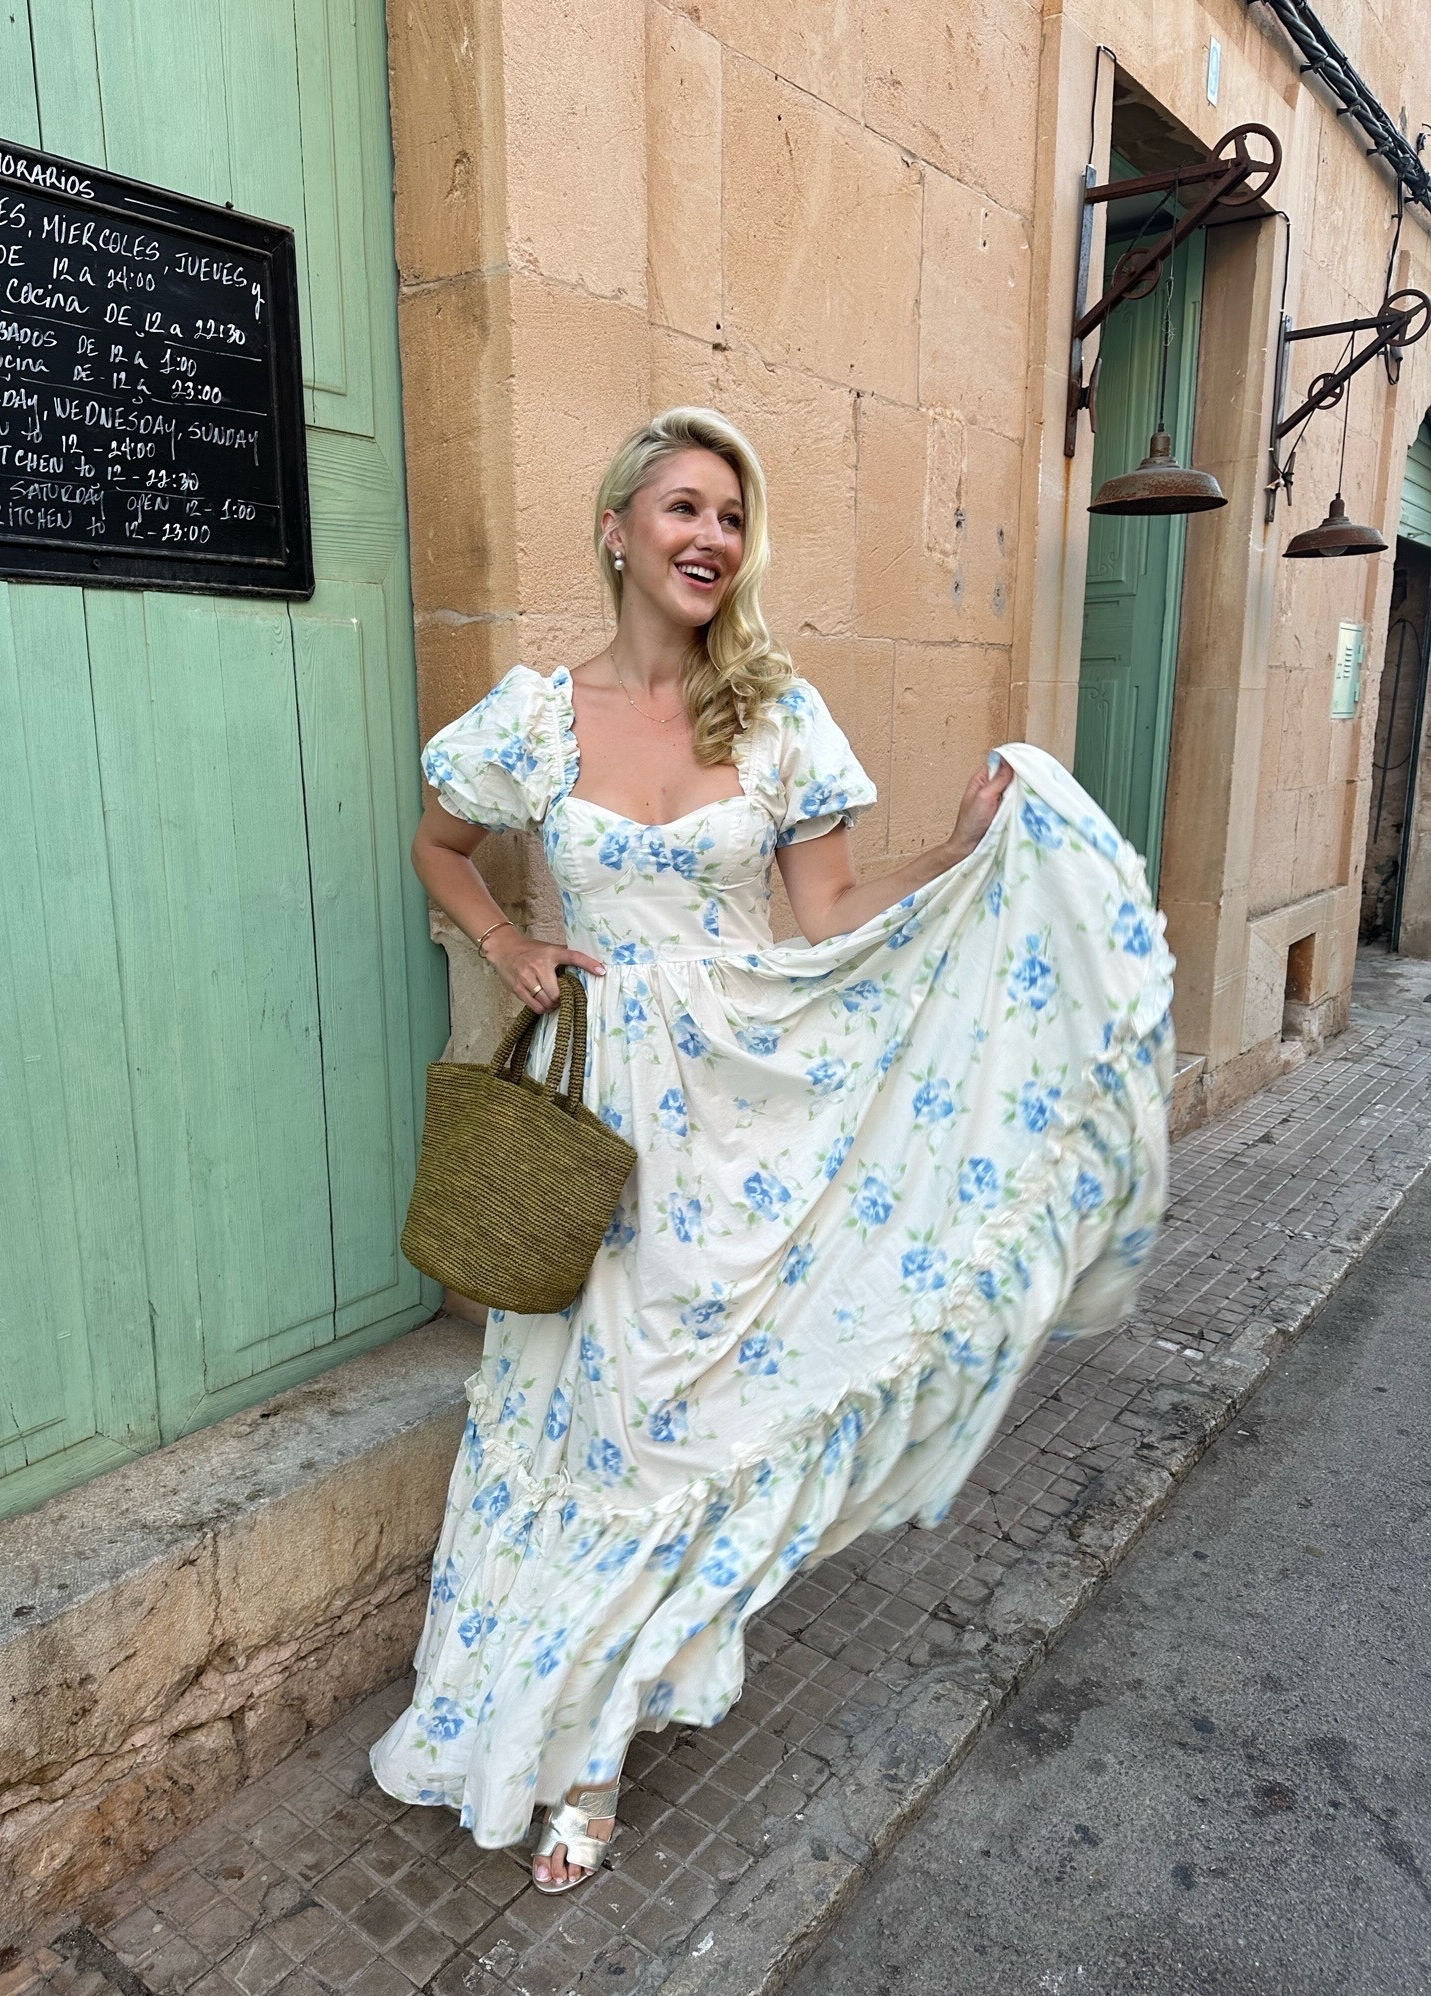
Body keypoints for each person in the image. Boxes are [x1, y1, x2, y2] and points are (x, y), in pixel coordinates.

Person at [370, 406, 1174, 1892]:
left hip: (754, 1115)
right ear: (618, 529)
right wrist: (509, 938)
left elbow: (827, 917)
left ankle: (615, 1704)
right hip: (603, 1128)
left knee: (691, 1436)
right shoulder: (532, 717)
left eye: (731, 517)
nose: (709, 538)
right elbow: (439, 841)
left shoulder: (779, 713)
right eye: (682, 507)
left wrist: (953, 849)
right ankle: (577, 1744)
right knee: (590, 1429)